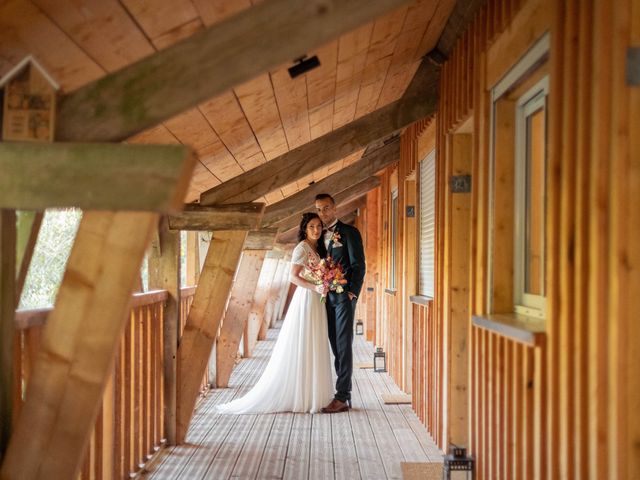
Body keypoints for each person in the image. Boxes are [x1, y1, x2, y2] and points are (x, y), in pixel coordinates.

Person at [215, 213, 334, 414]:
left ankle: (314, 394)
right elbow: (293, 278)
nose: (316, 230)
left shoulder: (318, 248)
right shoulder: (302, 248)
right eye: (312, 226)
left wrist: (325, 283)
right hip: (306, 299)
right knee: (305, 342)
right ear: (305, 228)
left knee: (315, 342)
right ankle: (300, 396)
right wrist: (316, 288)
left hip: (317, 300)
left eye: (319, 226)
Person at [315, 193, 366, 414]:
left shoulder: (349, 233)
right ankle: (341, 392)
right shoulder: (317, 237)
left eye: (326, 208)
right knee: (335, 345)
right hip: (325, 299)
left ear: (335, 208)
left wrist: (352, 293)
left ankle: (342, 396)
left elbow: (359, 265)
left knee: (344, 345)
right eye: (318, 209)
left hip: (344, 298)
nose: (322, 213)